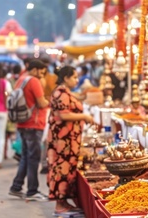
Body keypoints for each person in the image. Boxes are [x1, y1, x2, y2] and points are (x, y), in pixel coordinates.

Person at [47, 66, 93, 215]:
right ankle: (60, 204)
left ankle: (64, 201)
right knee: (62, 168)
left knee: (66, 168)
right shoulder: (61, 92)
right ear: (66, 78)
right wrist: (84, 117)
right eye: (74, 77)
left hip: (68, 139)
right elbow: (64, 115)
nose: (76, 80)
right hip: (63, 140)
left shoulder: (65, 92)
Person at [9, 59, 49, 201]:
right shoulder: (33, 81)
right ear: (35, 70)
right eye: (41, 73)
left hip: (23, 124)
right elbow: (41, 102)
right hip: (33, 124)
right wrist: (50, 102)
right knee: (33, 158)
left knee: (26, 157)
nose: (42, 76)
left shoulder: (21, 80)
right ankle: (32, 191)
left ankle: (16, 186)